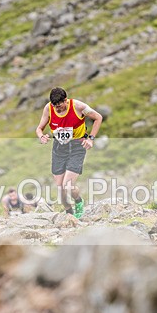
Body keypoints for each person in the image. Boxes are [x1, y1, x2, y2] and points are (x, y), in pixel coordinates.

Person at [35, 86, 103, 219]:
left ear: (66, 100)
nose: (57, 109)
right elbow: (39, 128)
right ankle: (68, 212)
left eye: (59, 106)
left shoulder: (78, 106)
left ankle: (78, 203)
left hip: (77, 146)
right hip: (59, 148)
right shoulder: (48, 108)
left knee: (68, 185)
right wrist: (41, 136)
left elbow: (98, 117)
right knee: (61, 188)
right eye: (55, 106)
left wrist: (91, 138)